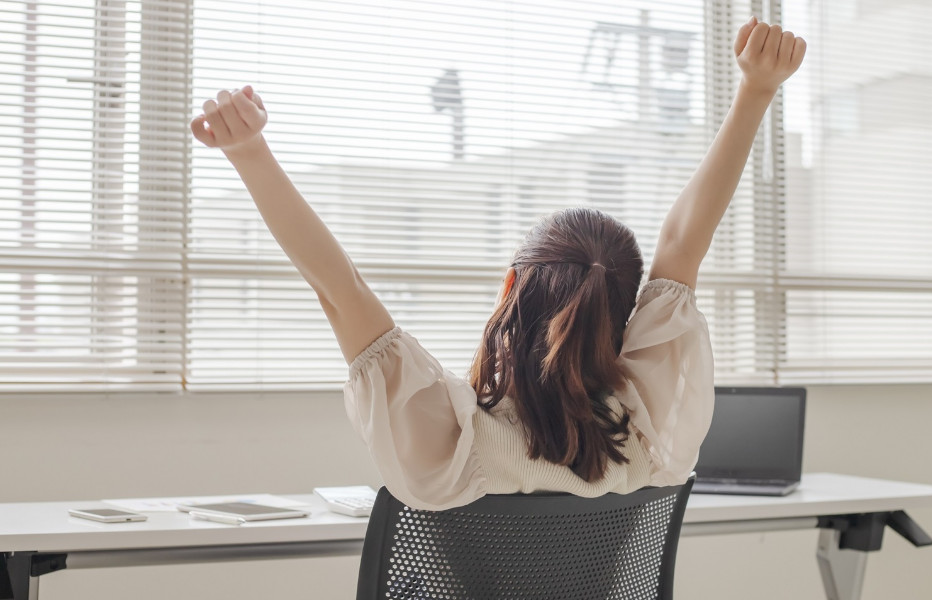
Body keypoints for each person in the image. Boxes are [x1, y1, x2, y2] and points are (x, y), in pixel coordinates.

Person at [191, 17, 805, 511]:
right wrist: (756, 91)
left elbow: (339, 288)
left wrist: (245, 149)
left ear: (511, 285)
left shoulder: (455, 447)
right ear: (622, 315)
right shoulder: (649, 437)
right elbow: (683, 245)